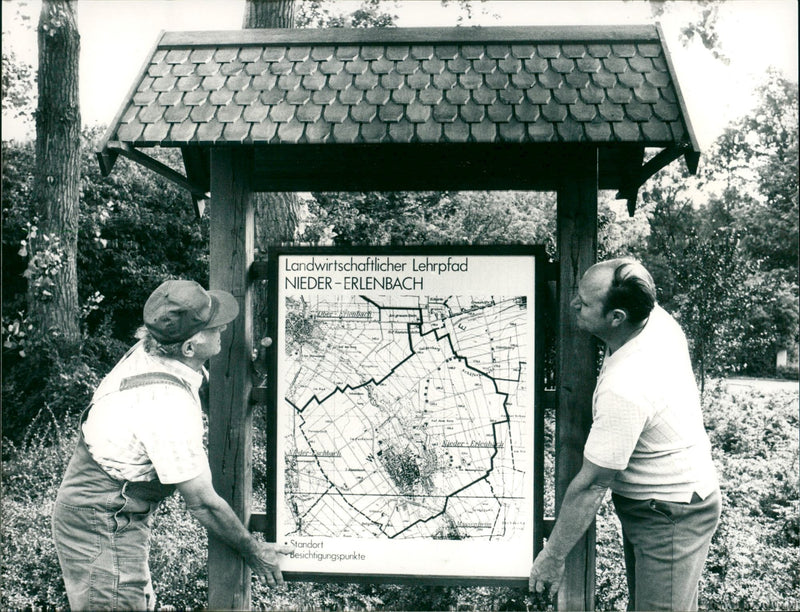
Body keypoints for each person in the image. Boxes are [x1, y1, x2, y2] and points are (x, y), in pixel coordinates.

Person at [52, 279, 293, 610]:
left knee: (135, 601)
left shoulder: (157, 352)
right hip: (101, 520)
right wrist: (255, 551)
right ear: (190, 348)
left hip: (116, 510)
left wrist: (255, 373)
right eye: (213, 327)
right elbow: (203, 503)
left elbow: (202, 390)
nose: (223, 327)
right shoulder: (165, 405)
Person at [529, 258, 720, 611]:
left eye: (584, 303)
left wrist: (552, 557)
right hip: (660, 506)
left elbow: (590, 486)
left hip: (671, 513)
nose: (573, 304)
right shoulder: (649, 315)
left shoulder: (627, 384)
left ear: (616, 317)